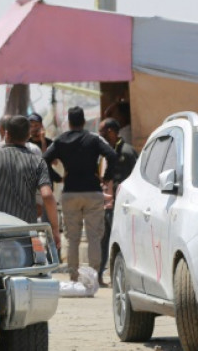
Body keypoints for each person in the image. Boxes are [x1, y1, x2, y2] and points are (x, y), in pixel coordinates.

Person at [43, 106, 118, 282]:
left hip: (70, 193)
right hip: (92, 191)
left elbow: (44, 159)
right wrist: (106, 179)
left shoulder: (60, 140)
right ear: (84, 121)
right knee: (94, 236)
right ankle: (94, 277)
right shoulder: (93, 139)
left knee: (73, 237)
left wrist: (57, 177)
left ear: (69, 122)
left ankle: (74, 277)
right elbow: (112, 155)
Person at [0, 116, 61, 251]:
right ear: (28, 136)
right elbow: (47, 195)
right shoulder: (38, 162)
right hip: (26, 232)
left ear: (6, 134)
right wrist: (55, 229)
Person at [97, 118, 138, 286]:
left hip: (122, 206)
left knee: (120, 241)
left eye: (103, 132)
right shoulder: (104, 152)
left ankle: (119, 278)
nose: (101, 136)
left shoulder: (127, 151)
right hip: (105, 204)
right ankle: (100, 276)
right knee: (103, 241)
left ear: (112, 132)